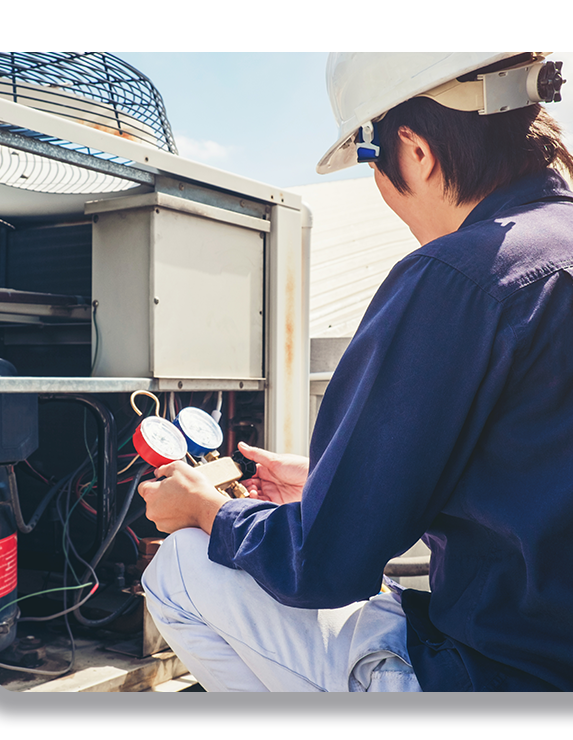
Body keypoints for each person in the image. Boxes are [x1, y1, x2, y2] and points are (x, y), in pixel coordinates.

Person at [138, 52, 573, 693]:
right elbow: (529, 474)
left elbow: (325, 563)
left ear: (414, 151)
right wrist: (330, 482)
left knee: (178, 570)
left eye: (370, 162)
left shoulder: (460, 276)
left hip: (497, 677)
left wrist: (208, 509)